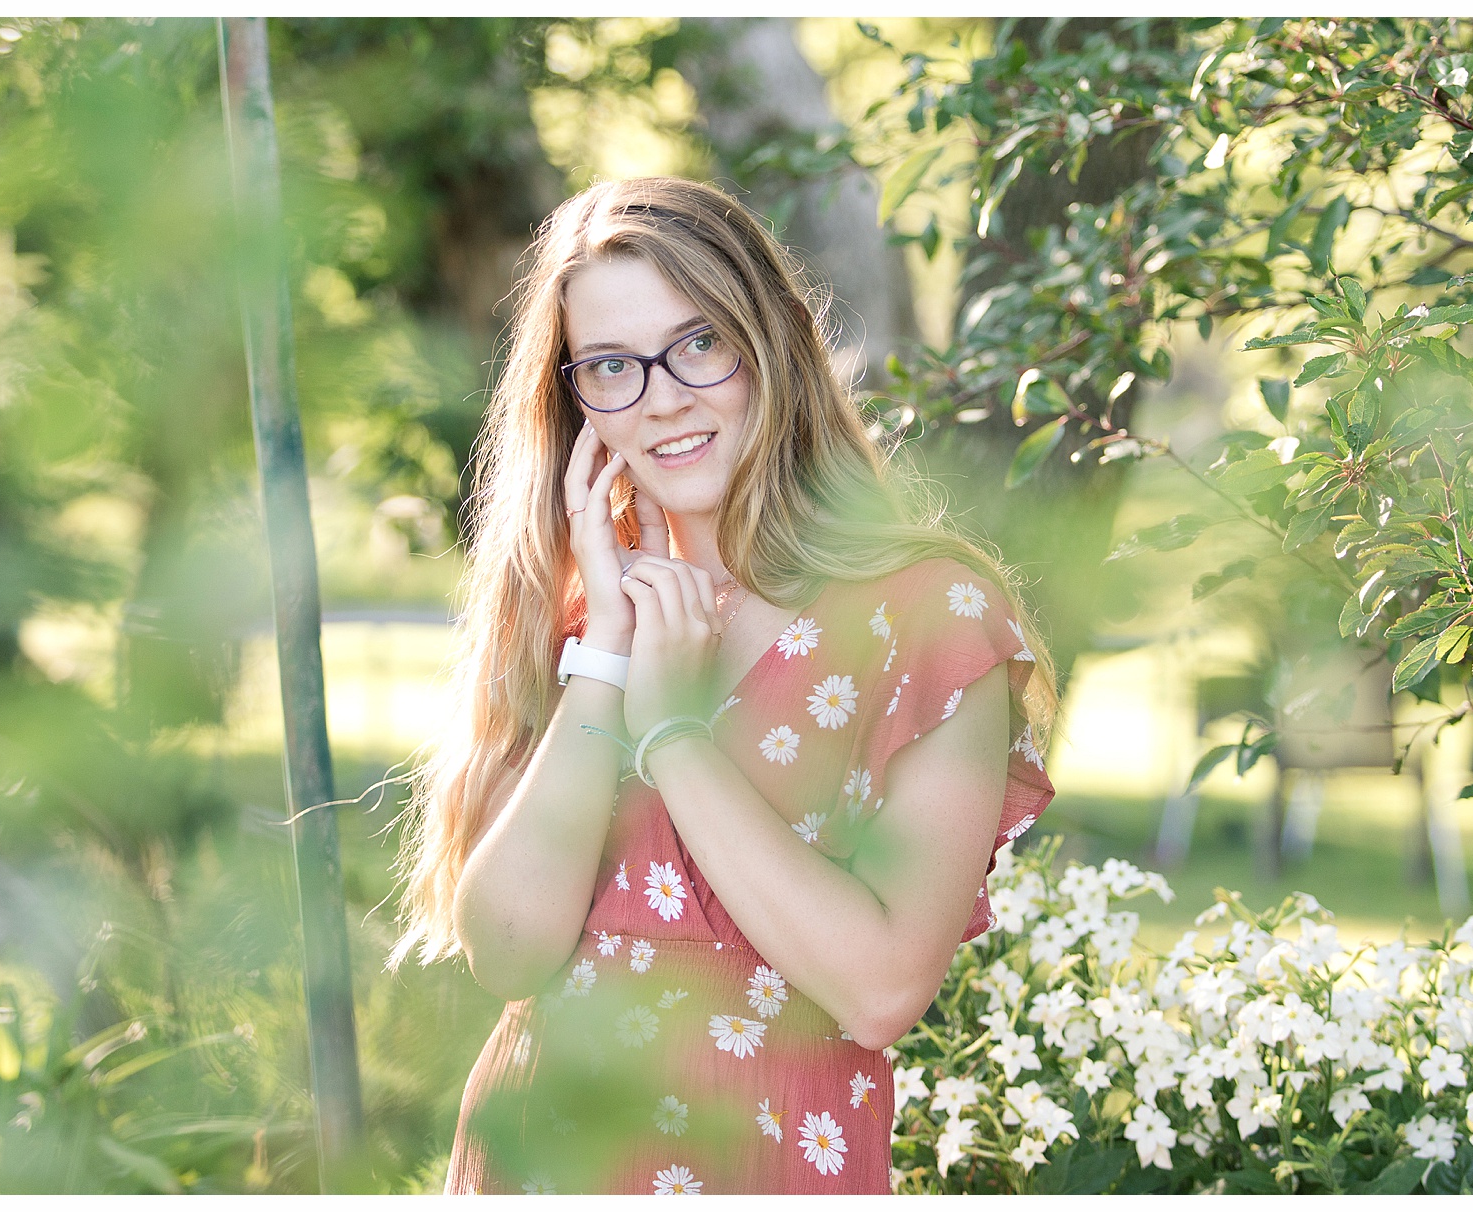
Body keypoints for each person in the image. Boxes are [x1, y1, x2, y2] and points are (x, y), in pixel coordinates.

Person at [390, 176, 1057, 1195]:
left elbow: (879, 989)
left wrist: (674, 737)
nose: (661, 397)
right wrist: (607, 658)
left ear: (774, 343)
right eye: (612, 365)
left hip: (770, 1157)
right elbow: (512, 954)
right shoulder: (577, 610)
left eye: (698, 343)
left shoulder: (929, 622)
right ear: (574, 399)